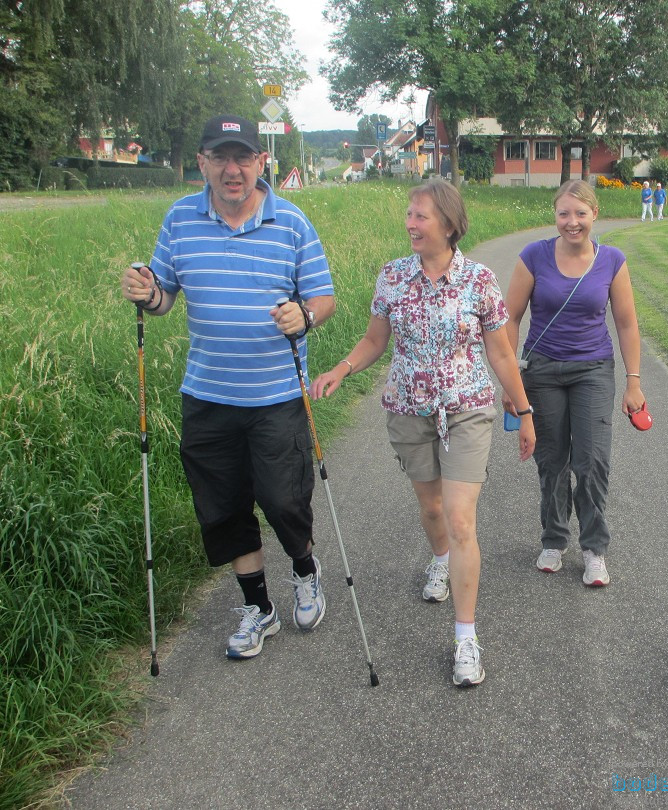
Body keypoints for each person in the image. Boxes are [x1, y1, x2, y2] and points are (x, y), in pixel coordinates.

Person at [120, 114, 335, 660]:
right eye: (221, 157)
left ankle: (305, 570)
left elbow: (324, 299)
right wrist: (147, 294)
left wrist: (303, 317)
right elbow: (164, 296)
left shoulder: (290, 221)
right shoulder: (179, 220)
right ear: (203, 163)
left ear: (261, 162)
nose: (233, 169)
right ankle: (257, 609)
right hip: (209, 395)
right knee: (222, 507)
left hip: (278, 396)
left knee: (285, 500)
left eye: (243, 158)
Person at [311, 178, 535, 688]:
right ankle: (439, 562)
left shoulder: (479, 280)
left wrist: (524, 412)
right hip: (409, 408)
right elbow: (374, 341)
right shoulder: (391, 277)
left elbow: (500, 352)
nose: (411, 224)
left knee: (460, 520)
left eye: (421, 216)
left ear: (450, 224)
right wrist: (342, 370)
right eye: (409, 215)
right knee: (432, 510)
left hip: (467, 409)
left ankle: (465, 638)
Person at [503, 180, 646, 587]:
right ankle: (553, 539)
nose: (572, 222)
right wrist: (512, 381)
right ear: (555, 215)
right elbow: (510, 318)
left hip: (593, 370)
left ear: (594, 214)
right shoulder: (533, 256)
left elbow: (626, 323)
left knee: (592, 461)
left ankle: (594, 549)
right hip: (542, 370)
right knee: (551, 462)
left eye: (580, 214)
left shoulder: (612, 260)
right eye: (564, 213)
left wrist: (633, 381)